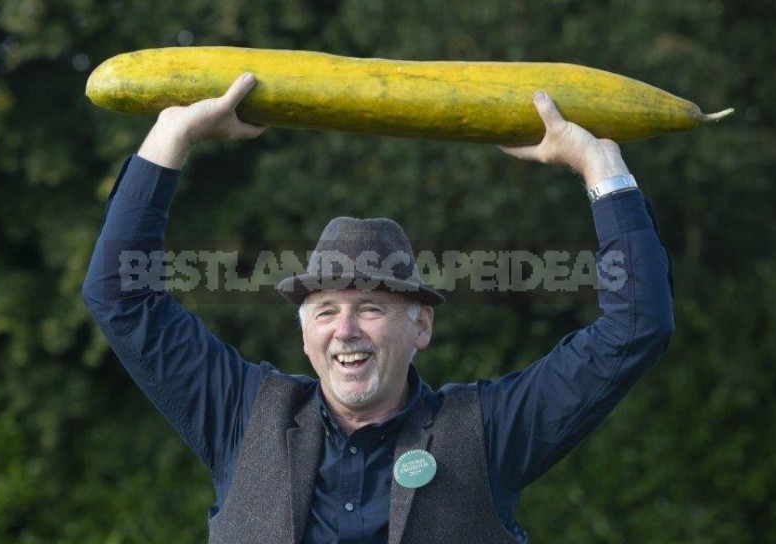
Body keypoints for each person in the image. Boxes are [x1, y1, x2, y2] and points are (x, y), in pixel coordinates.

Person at [82, 72, 675, 544]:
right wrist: (170, 137)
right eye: (324, 310)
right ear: (303, 333)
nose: (345, 330)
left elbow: (636, 325)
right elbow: (120, 297)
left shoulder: (489, 433)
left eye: (370, 307)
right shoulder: (241, 416)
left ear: (421, 324)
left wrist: (601, 166)